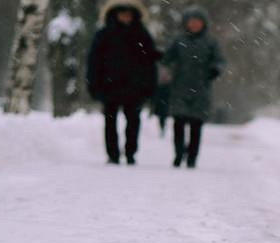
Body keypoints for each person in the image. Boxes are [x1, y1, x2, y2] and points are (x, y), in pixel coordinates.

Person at [87, 0, 159, 165]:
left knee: (133, 121)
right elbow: (94, 61)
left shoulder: (142, 35)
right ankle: (113, 154)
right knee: (110, 122)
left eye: (129, 13)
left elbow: (150, 63)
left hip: (134, 87)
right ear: (115, 14)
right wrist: (93, 82)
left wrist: (149, 86)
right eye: (122, 12)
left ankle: (130, 152)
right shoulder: (104, 34)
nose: (126, 16)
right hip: (109, 86)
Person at [163, 6, 225, 169]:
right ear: (186, 23)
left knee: (196, 125)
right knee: (179, 123)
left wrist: (215, 70)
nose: (194, 25)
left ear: (203, 24)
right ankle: (177, 154)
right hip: (180, 87)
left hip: (201, 89)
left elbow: (220, 60)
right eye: (191, 22)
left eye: (197, 22)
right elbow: (166, 57)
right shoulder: (179, 40)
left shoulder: (211, 42)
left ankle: (192, 157)